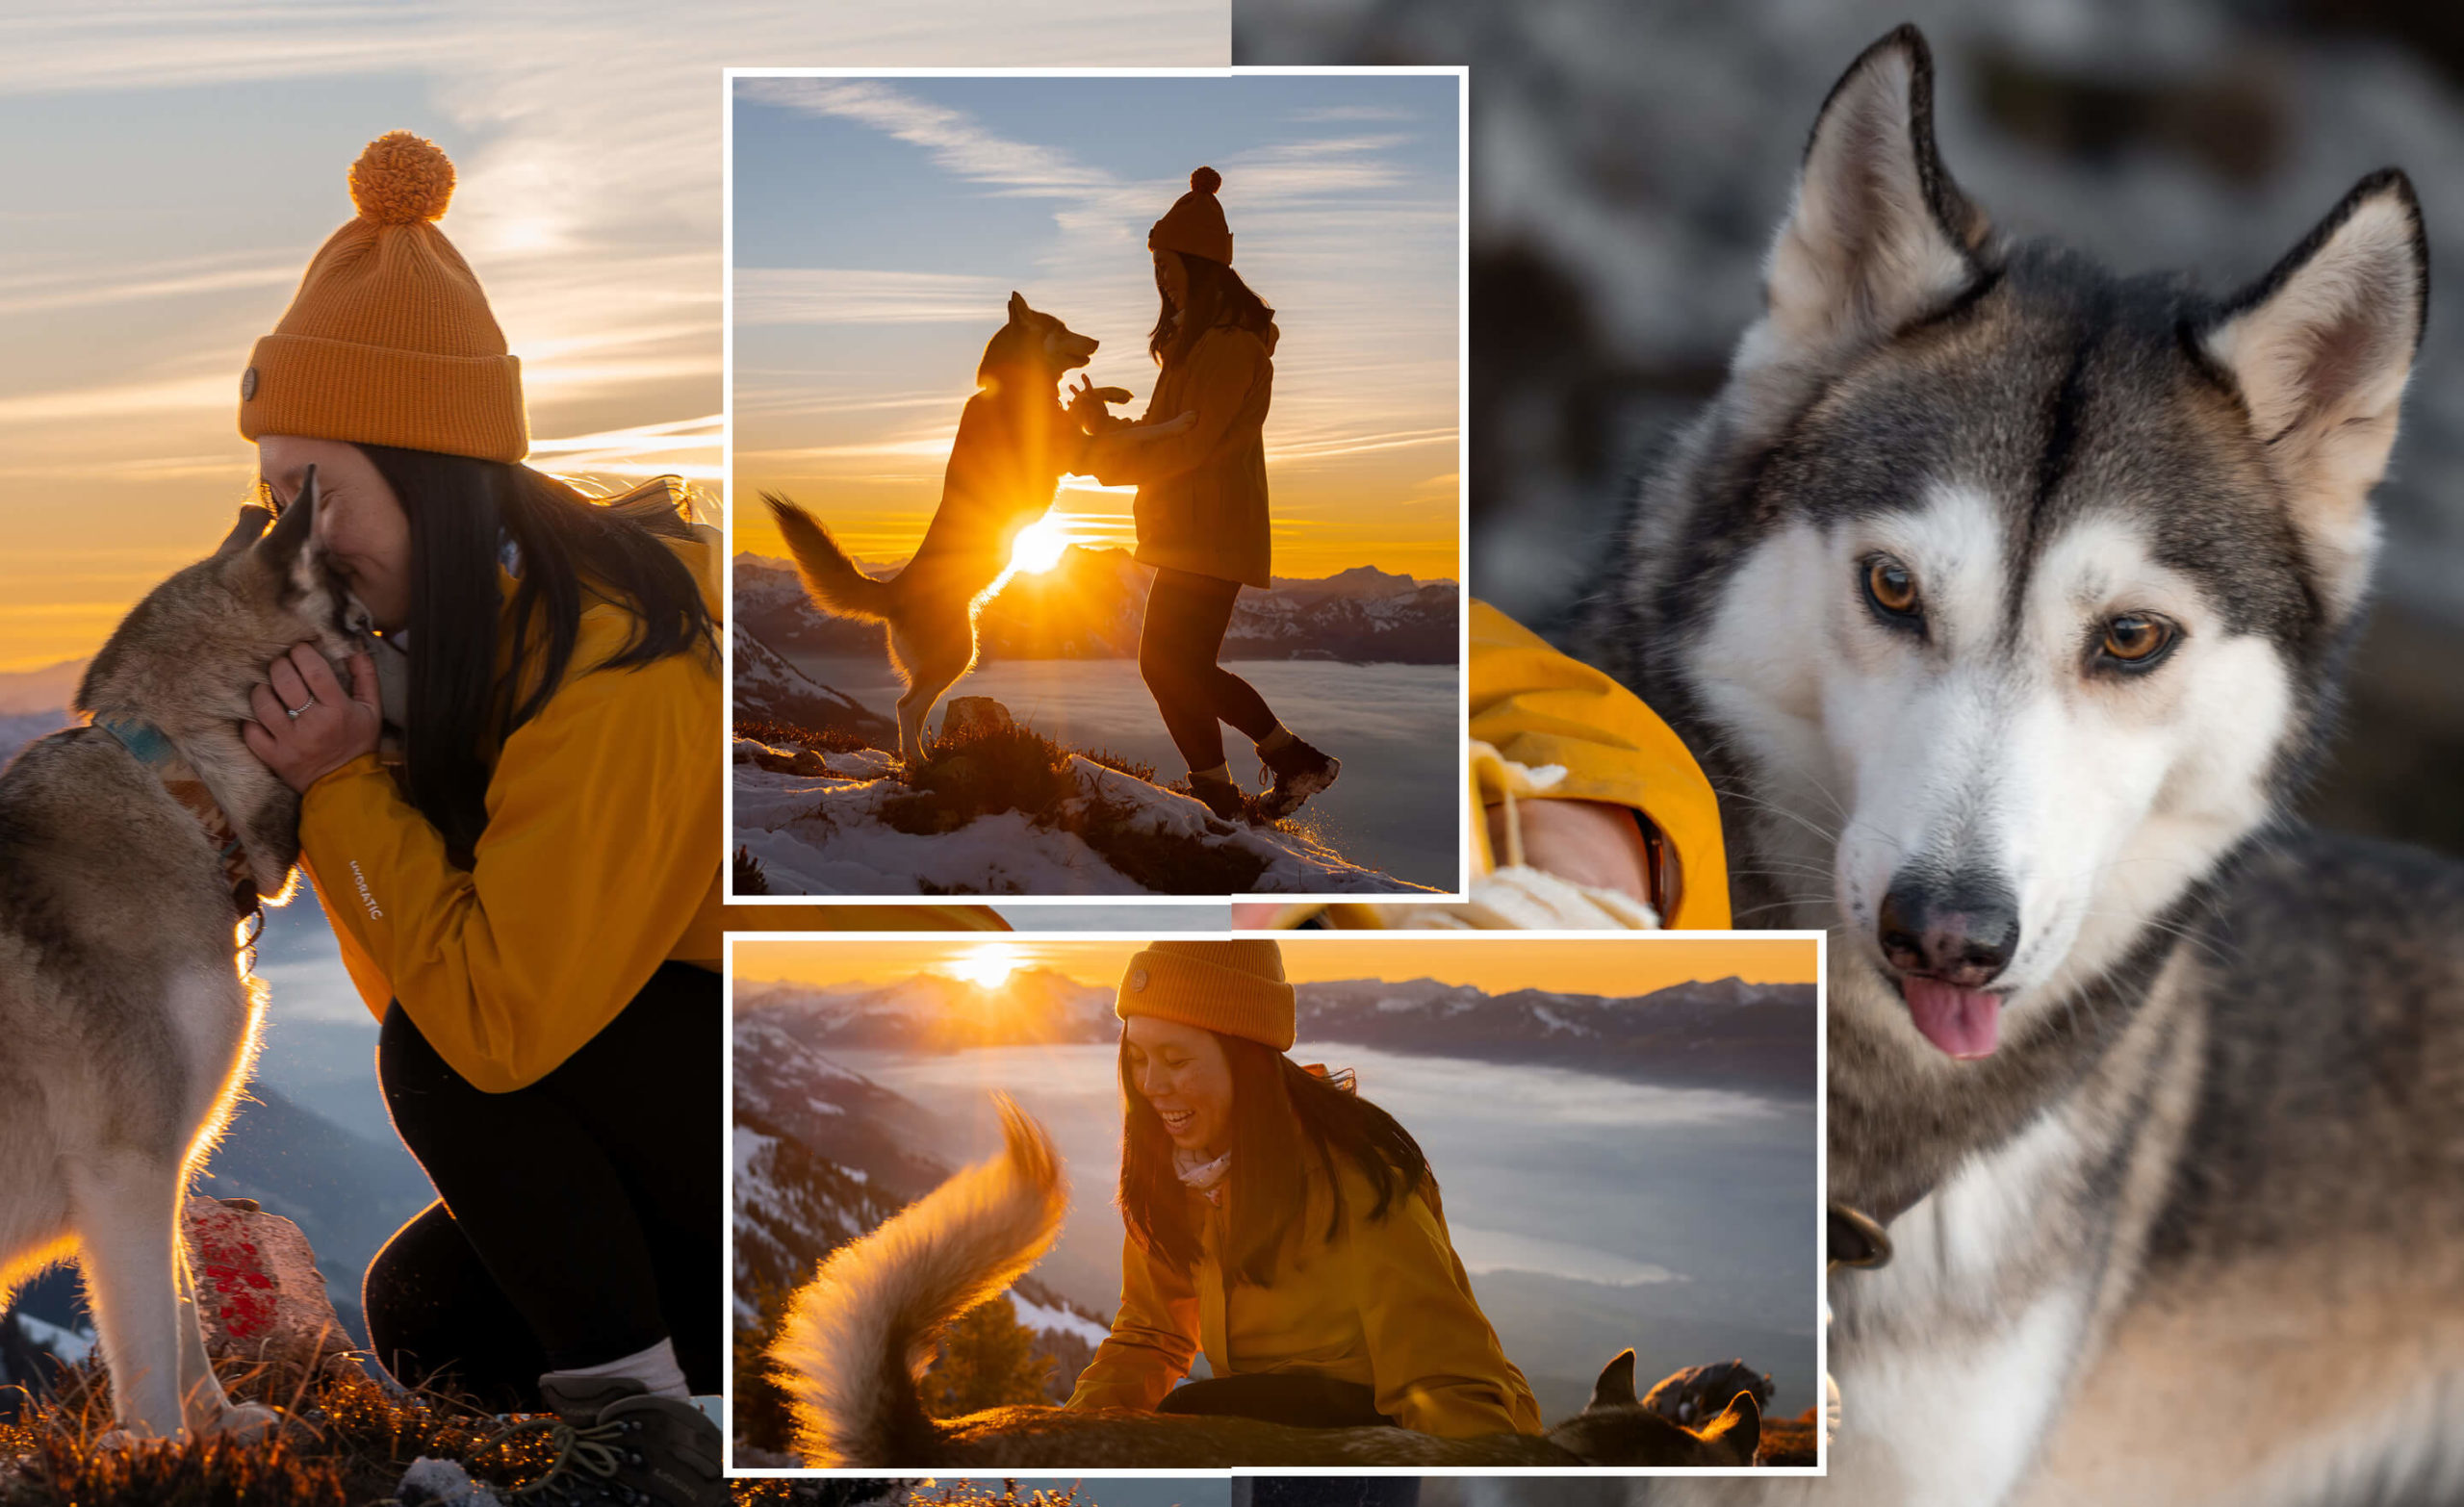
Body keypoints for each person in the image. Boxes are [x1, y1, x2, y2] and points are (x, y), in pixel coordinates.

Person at [233, 130, 996, 1506]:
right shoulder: (441, 654)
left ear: (441, 472)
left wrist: (342, 778)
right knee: (429, 1306)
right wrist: (360, 758)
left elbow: (486, 1022)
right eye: (272, 491)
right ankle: (764, 1431)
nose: (290, 531)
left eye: (319, 490)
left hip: (718, 1112)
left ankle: (653, 1456)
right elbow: (424, 963)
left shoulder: (611, 654)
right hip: (656, 1112)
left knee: (451, 1049)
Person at [1065, 939, 1541, 1438]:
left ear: (1246, 1057)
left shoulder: (1353, 1178)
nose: (1150, 1084)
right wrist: (1060, 1451)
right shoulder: (1178, 1173)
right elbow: (1151, 1338)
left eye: (1176, 1060)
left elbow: (1442, 1375)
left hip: (1392, 1435)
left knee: (1200, 1409)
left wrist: (1486, 1483)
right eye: (1138, 1057)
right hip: (1286, 1431)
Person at [1072, 168, 1340, 824]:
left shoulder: (1226, 348)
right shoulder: (1195, 347)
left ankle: (1264, 774)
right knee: (1176, 665)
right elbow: (1167, 433)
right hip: (1193, 526)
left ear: (1203, 267)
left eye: (1171, 266)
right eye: (1157, 268)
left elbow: (1187, 447)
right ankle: (1243, 782)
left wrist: (1095, 454)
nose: (1162, 279)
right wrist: (1102, 429)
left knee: (1169, 663)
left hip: (1212, 526)